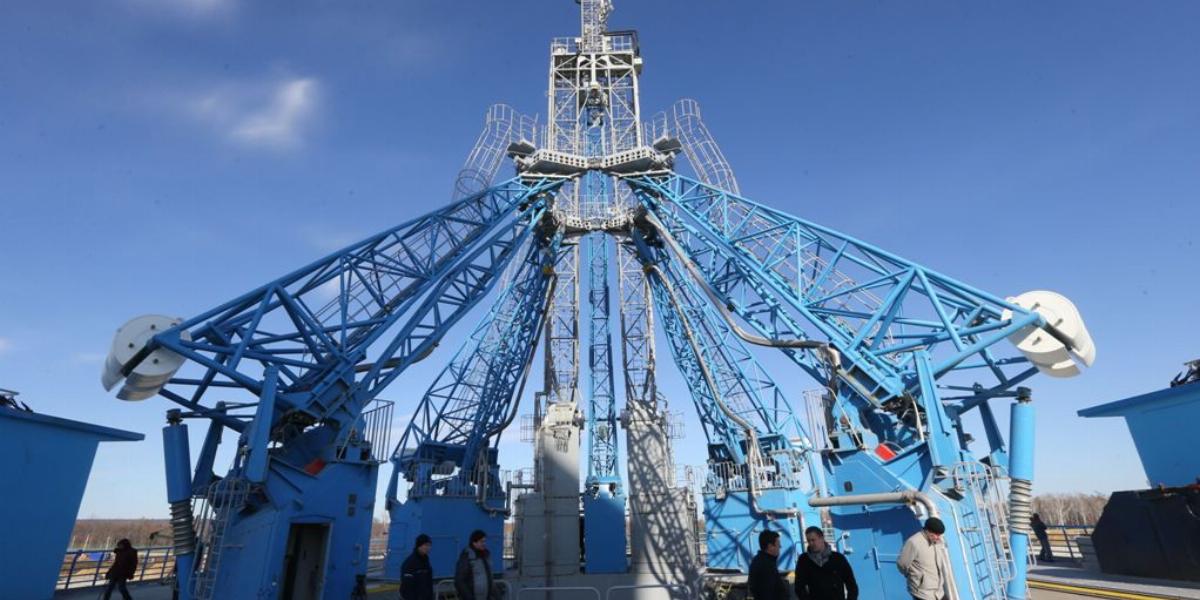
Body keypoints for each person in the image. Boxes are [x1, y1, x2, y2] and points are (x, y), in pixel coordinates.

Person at [794, 526, 858, 600]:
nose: (811, 543)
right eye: (808, 541)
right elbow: (799, 587)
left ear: (822, 538)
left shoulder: (838, 558)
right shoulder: (804, 560)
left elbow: (851, 584)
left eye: (813, 540)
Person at [898, 518, 950, 600]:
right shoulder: (914, 542)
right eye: (936, 534)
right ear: (927, 531)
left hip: (939, 592)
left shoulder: (937, 542)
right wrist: (915, 577)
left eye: (939, 535)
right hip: (923, 594)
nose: (938, 538)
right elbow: (902, 564)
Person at [454, 530, 498, 600]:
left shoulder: (486, 556)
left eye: (485, 541)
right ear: (474, 543)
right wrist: (469, 598)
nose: (484, 544)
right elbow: (459, 581)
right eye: (481, 541)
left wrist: (497, 596)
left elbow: (489, 578)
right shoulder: (467, 557)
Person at [747, 530, 789, 600]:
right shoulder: (766, 566)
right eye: (778, 545)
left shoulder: (760, 560)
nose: (780, 547)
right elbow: (768, 593)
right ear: (770, 546)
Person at [400, 534, 434, 600]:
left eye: (429, 545)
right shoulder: (410, 563)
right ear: (419, 546)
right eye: (426, 545)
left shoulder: (426, 561)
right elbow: (407, 587)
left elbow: (429, 584)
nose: (428, 548)